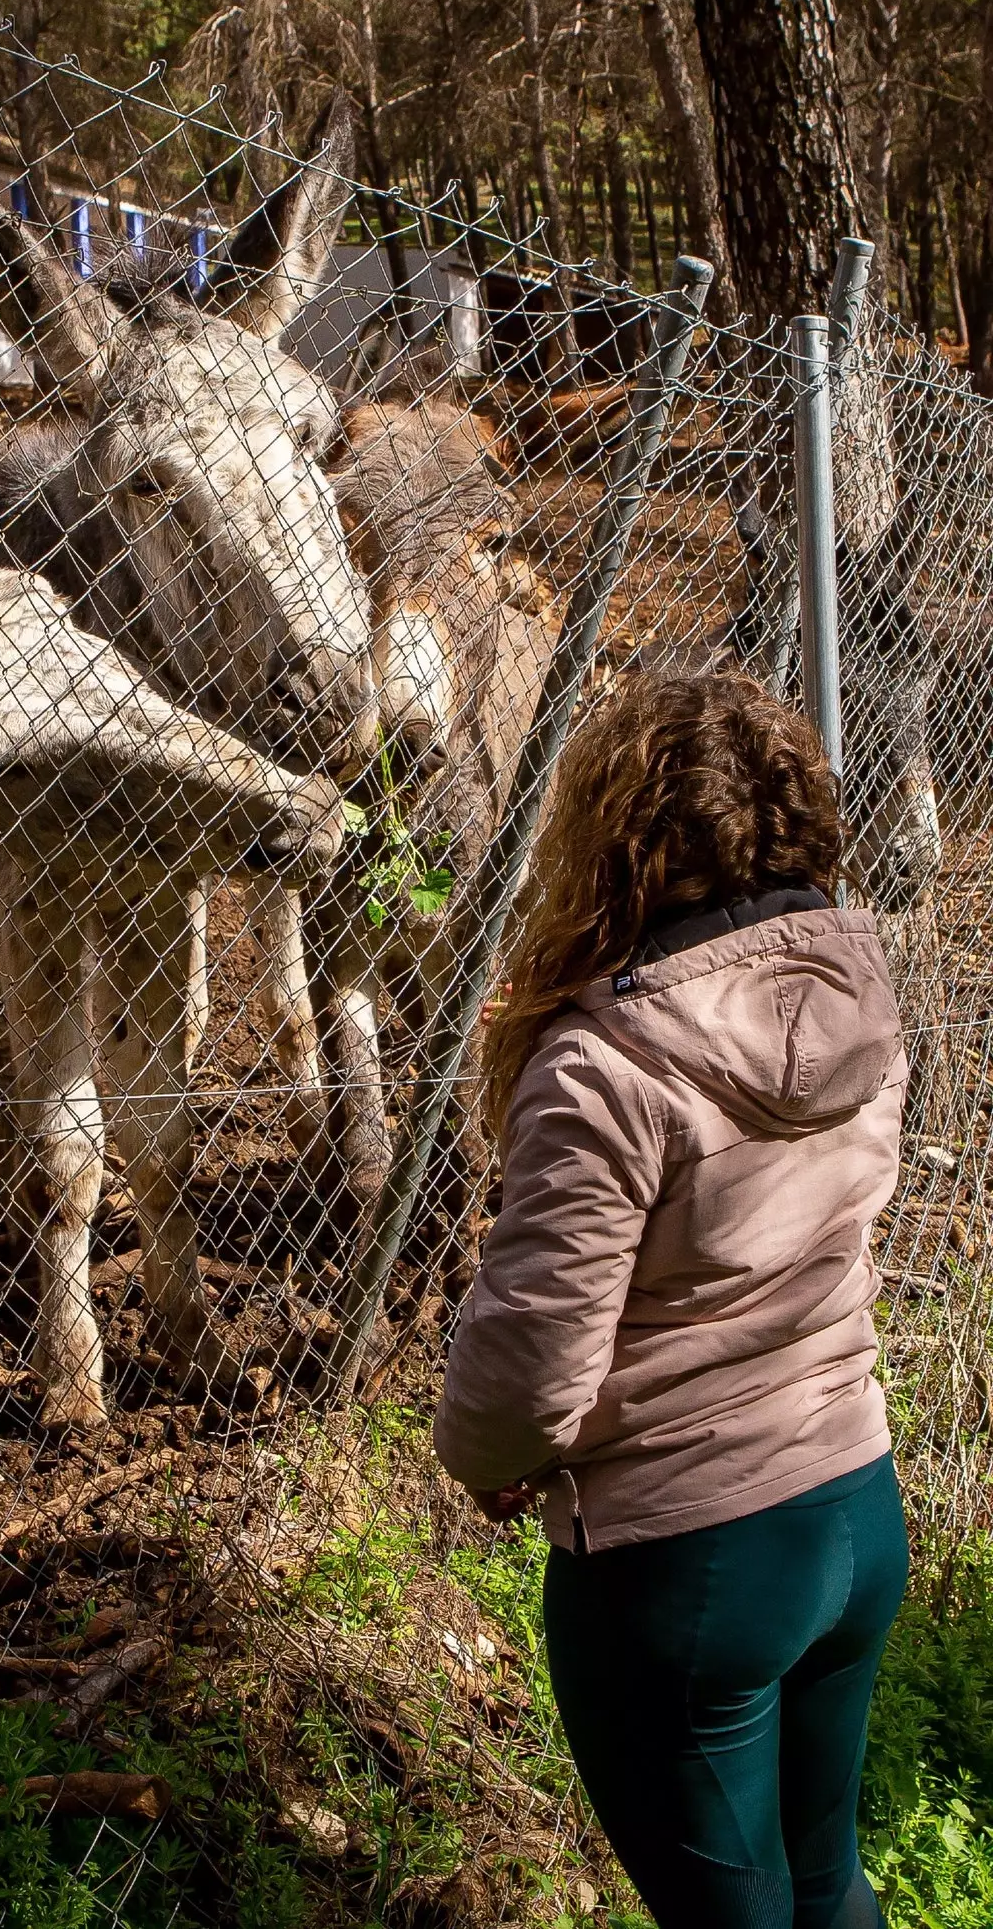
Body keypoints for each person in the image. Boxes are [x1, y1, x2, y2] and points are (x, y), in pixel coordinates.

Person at [433, 669, 908, 1929]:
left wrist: (489, 1452)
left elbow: (534, 1357)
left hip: (685, 1567)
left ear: (611, 838)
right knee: (825, 1886)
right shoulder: (860, 998)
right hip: (856, 1508)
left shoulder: (603, 1066)